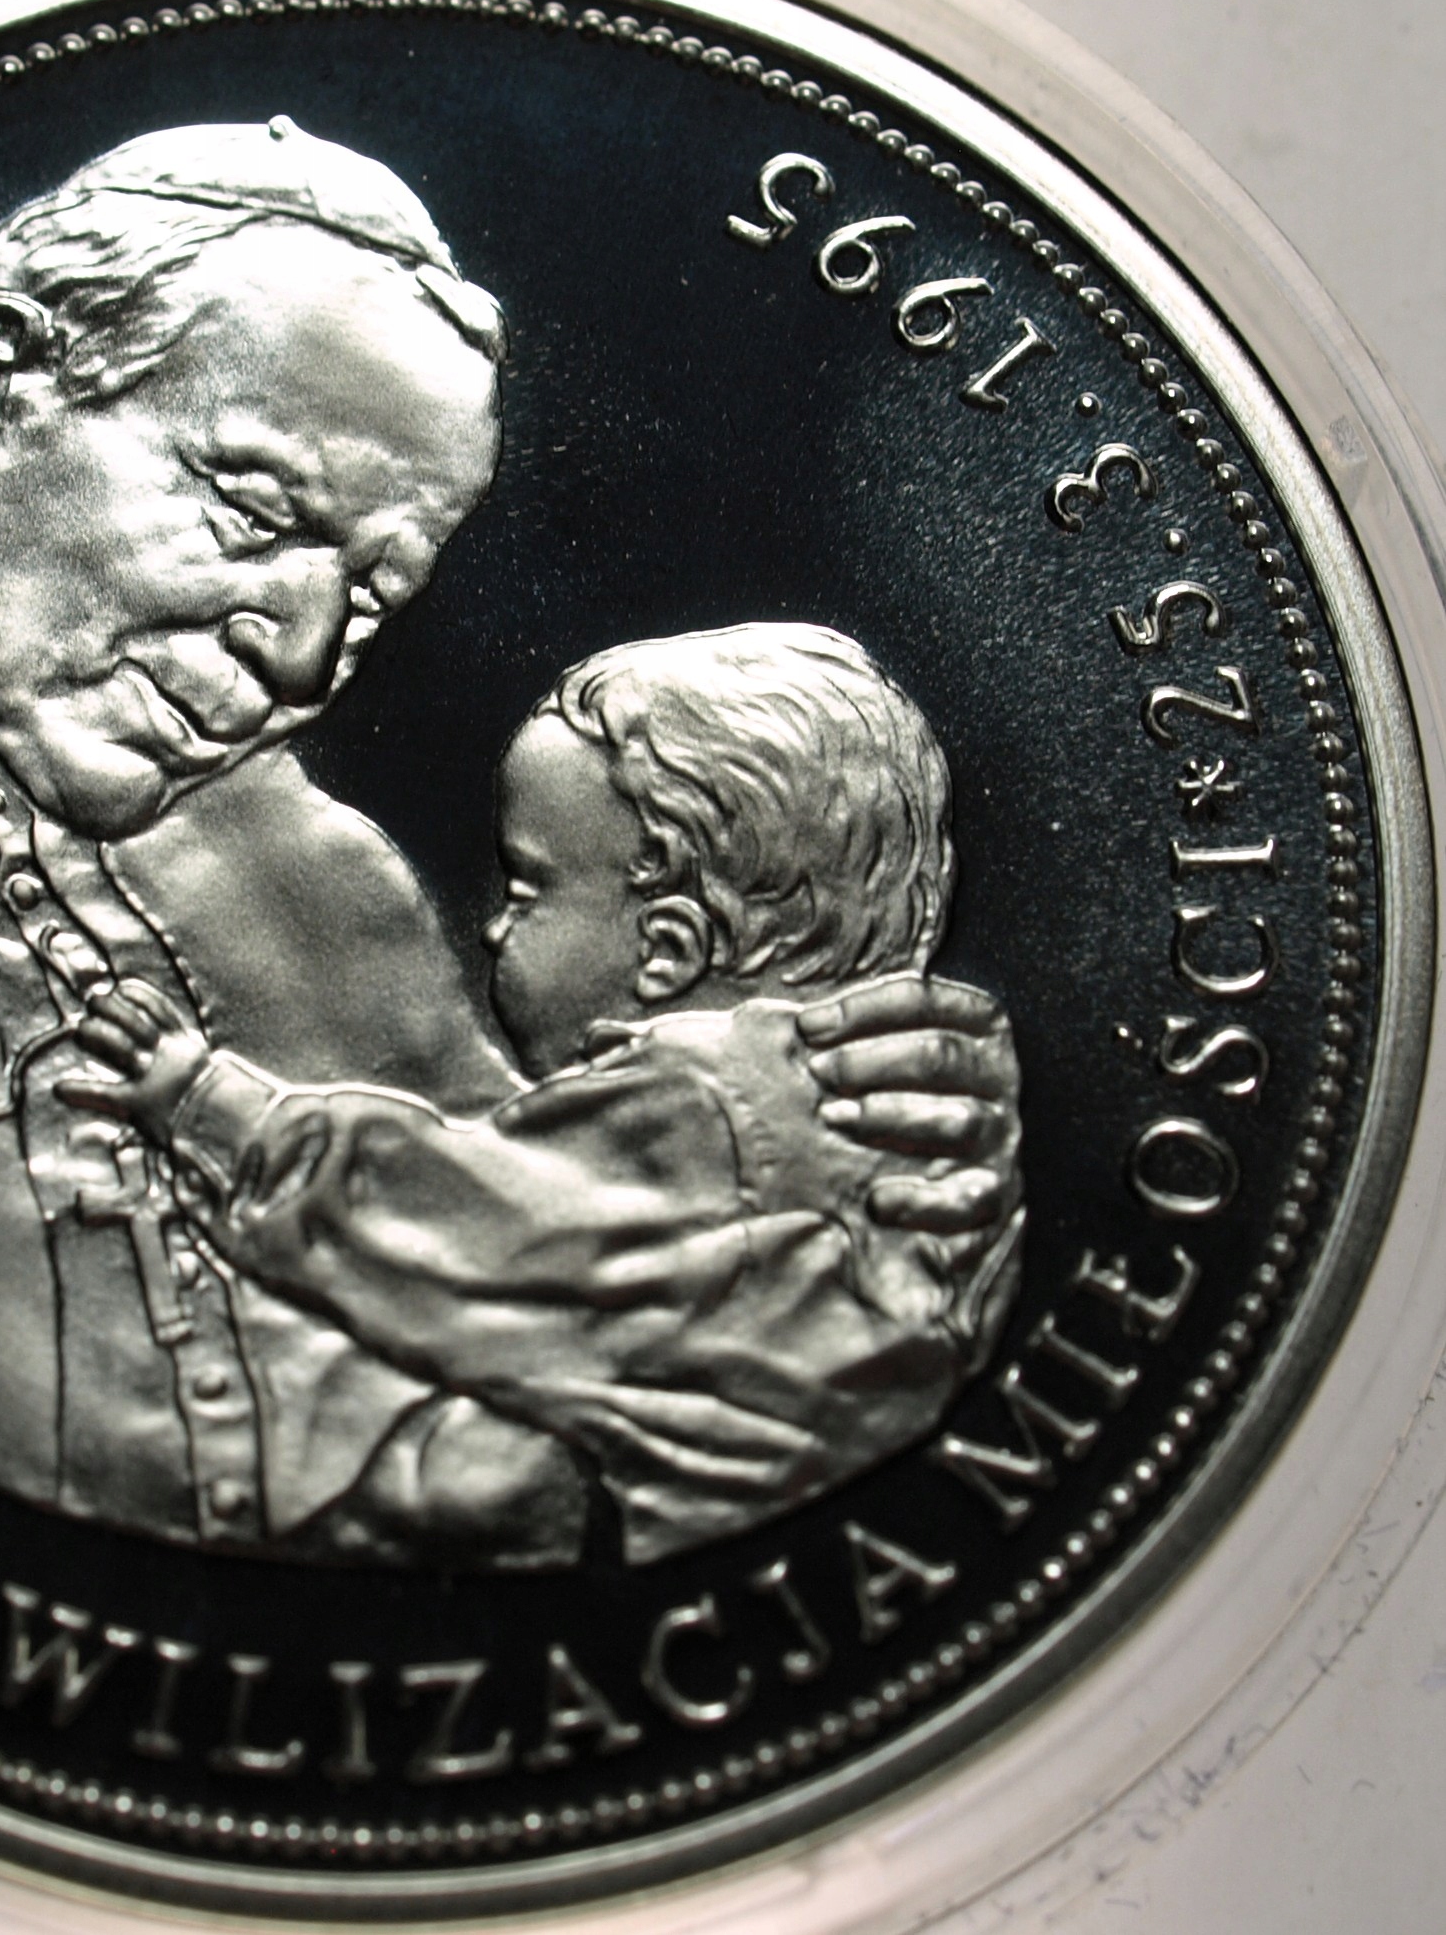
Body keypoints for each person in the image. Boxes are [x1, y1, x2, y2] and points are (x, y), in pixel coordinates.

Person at [0, 120, 1021, 1567]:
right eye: (252, 508)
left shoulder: (295, 863)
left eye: (366, 596)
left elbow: (533, 1259)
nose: (302, 658)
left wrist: (832, 1208)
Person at [67, 626, 1021, 1563]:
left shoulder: (705, 1107)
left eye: (526, 890)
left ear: (670, 948)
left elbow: (459, 1222)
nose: (490, 927)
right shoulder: (915, 1102)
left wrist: (210, 1105)